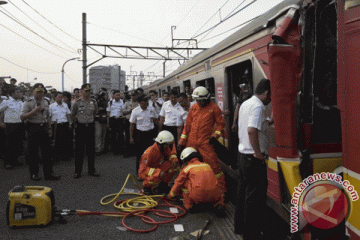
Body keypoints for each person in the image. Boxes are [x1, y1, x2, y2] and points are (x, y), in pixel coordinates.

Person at [234, 79, 271, 240]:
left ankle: (239, 226)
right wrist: (258, 153)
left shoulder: (246, 104)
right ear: (267, 93)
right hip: (252, 158)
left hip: (242, 156)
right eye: (271, 97)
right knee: (254, 198)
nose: (271, 100)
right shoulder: (258, 106)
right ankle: (251, 235)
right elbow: (251, 130)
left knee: (242, 193)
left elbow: (249, 126)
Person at [178, 86, 226, 194]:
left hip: (205, 143)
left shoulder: (214, 108)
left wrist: (215, 136)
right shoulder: (194, 107)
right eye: (197, 100)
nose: (198, 102)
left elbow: (220, 124)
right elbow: (188, 125)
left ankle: (221, 193)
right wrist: (182, 141)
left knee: (214, 167)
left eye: (200, 100)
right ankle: (185, 191)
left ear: (206, 98)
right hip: (191, 142)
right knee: (186, 166)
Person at [167, 147, 225, 216]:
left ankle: (189, 206)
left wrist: (170, 195)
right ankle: (219, 204)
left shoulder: (187, 169)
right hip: (214, 195)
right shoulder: (207, 165)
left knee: (185, 182)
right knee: (211, 181)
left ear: (186, 159)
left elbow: (178, 183)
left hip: (198, 196)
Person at [21, 83, 61, 181]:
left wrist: (49, 128)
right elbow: (22, 117)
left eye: (41, 92)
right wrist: (33, 112)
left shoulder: (46, 102)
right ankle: (34, 174)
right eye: (38, 92)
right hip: (33, 128)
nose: (40, 94)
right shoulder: (28, 102)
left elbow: (47, 117)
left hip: (44, 128)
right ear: (33, 92)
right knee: (33, 153)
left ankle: (49, 174)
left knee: (47, 152)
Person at [71, 84, 100, 179]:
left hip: (90, 127)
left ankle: (92, 170)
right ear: (81, 91)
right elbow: (73, 114)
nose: (88, 93)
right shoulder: (77, 102)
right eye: (86, 91)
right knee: (79, 150)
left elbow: (95, 113)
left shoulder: (94, 102)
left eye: (89, 91)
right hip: (80, 127)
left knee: (91, 150)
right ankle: (77, 171)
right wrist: (79, 121)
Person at [138, 130, 179, 195]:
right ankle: (147, 187)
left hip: (157, 167)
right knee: (155, 176)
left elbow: (170, 155)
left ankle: (162, 185)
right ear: (162, 143)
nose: (168, 146)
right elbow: (142, 172)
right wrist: (158, 172)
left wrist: (174, 160)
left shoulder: (163, 148)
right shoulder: (149, 153)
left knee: (172, 167)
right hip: (148, 171)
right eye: (167, 144)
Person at [129, 94, 157, 173]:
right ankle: (139, 172)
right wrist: (131, 137)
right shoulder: (135, 111)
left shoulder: (152, 109)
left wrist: (159, 132)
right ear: (139, 102)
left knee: (151, 154)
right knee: (140, 154)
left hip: (150, 134)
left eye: (146, 101)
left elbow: (155, 121)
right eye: (144, 101)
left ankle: (149, 172)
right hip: (140, 134)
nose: (146, 103)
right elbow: (132, 124)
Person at [0, 88, 24, 169]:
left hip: (20, 124)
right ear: (12, 94)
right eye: (18, 92)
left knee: (18, 144)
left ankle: (15, 160)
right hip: (10, 125)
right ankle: (8, 162)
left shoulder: (21, 102)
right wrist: (1, 122)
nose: (20, 93)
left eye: (20, 92)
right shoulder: (6, 102)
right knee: (9, 144)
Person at [49, 92, 72, 161]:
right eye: (58, 97)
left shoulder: (65, 105)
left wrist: (70, 123)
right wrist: (50, 126)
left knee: (65, 141)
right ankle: (56, 157)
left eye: (61, 97)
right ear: (55, 97)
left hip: (64, 124)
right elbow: (49, 117)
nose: (60, 98)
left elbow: (68, 115)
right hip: (56, 125)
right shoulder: (51, 106)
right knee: (56, 141)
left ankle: (65, 156)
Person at [106, 90, 124, 155]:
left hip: (120, 119)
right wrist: (108, 122)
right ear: (113, 96)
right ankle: (114, 150)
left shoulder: (122, 102)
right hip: (112, 120)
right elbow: (108, 112)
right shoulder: (110, 102)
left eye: (119, 95)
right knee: (113, 135)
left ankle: (120, 149)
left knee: (120, 135)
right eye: (116, 95)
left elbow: (124, 111)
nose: (118, 96)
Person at [122, 91, 139, 158]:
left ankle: (134, 151)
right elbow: (123, 112)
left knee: (135, 136)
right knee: (127, 136)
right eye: (132, 95)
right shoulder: (127, 103)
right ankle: (127, 152)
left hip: (136, 122)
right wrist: (129, 111)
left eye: (134, 95)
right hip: (128, 121)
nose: (133, 97)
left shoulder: (139, 104)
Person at [95, 88, 108, 155]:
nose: (103, 94)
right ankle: (98, 149)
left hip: (104, 118)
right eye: (102, 92)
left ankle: (102, 148)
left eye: (104, 92)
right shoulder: (96, 98)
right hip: (98, 119)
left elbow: (107, 107)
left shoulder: (106, 100)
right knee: (98, 134)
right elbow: (95, 108)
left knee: (103, 134)